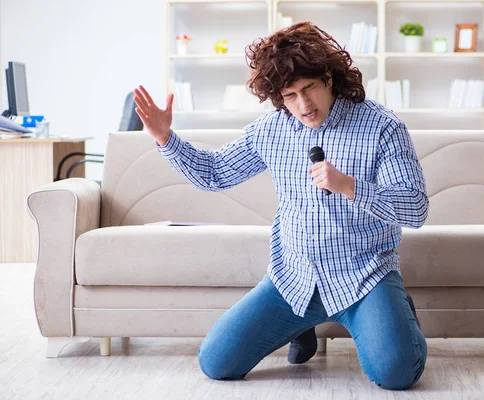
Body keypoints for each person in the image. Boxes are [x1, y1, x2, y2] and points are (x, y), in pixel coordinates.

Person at [133, 21, 429, 390]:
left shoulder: (381, 126)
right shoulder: (271, 130)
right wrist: (165, 138)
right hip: (294, 279)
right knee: (216, 362)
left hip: (364, 277)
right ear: (278, 97)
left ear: (328, 78)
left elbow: (415, 208)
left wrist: (350, 186)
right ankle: (301, 324)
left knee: (396, 373)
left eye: (309, 89)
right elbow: (214, 174)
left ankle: (400, 315)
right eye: (290, 95)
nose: (304, 105)